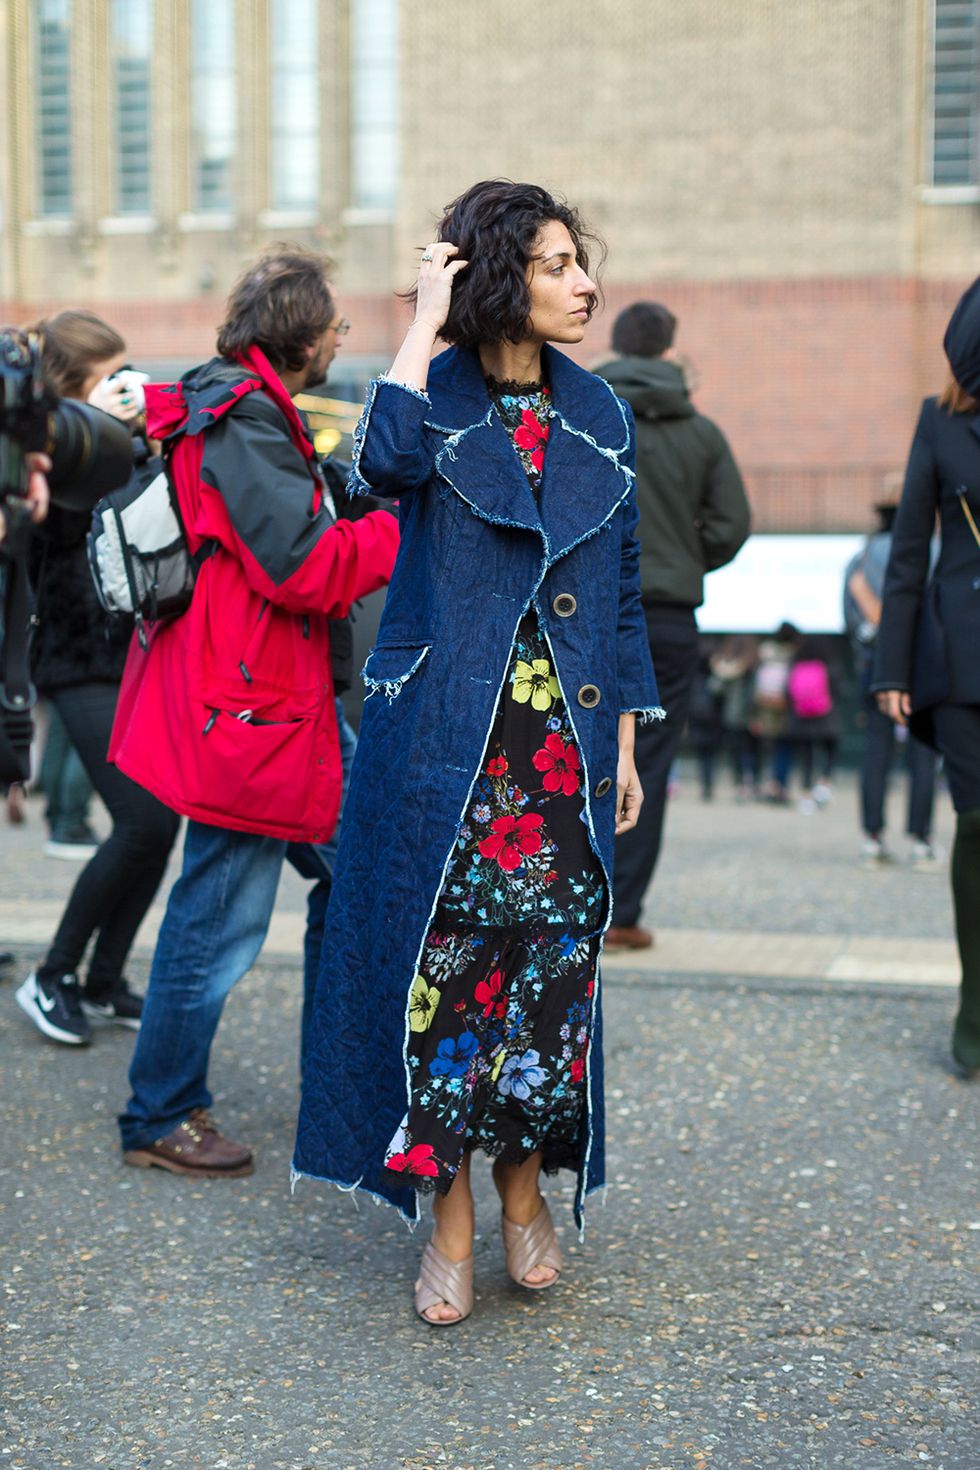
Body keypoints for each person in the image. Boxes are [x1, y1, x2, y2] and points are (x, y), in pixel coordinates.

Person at [294, 179, 662, 1327]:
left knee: (546, 989)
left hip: (557, 758)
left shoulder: (600, 411)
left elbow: (621, 598)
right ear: (500, 276)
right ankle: (445, 1220)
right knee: (444, 991)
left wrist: (626, 743)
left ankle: (522, 1196)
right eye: (555, 265)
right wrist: (421, 319)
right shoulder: (433, 398)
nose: (583, 284)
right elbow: (374, 471)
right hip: (445, 750)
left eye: (578, 265)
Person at [111, 248, 400, 1173]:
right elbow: (308, 568)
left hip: (272, 704)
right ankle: (159, 1113)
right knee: (218, 915)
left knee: (353, 870)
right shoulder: (245, 417)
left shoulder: (237, 405)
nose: (341, 339)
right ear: (303, 335)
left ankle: (338, 1076)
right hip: (256, 713)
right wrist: (398, 529)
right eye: (338, 327)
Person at [14, 310, 181, 1048]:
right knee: (142, 822)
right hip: (76, 659)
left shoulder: (124, 441)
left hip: (131, 655)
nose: (127, 384)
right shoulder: (44, 449)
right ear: (69, 389)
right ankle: (52, 975)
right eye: (109, 375)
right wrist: (87, 429)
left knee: (157, 827)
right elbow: (55, 529)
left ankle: (103, 978)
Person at [594, 302, 750, 950]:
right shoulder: (703, 433)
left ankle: (563, 898)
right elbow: (732, 526)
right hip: (668, 617)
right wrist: (687, 557)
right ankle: (622, 914)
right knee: (649, 764)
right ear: (669, 348)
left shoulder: (587, 412)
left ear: (615, 343)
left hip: (590, 611)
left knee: (568, 749)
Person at [873, 273, 980, 1079]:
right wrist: (892, 667)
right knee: (975, 830)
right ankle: (975, 1009)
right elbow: (909, 552)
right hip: (963, 661)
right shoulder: (940, 422)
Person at [845, 502, 938, 866]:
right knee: (924, 752)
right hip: (924, 664)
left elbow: (852, 619)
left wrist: (873, 643)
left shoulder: (863, 557)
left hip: (878, 661)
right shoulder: (934, 551)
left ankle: (872, 836)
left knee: (876, 752)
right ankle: (921, 838)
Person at [785, 635, 840, 813]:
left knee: (806, 758)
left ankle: (807, 795)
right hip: (826, 718)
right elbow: (838, 691)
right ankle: (824, 783)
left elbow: (788, 693)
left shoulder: (796, 666)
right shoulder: (829, 666)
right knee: (830, 750)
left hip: (802, 719)